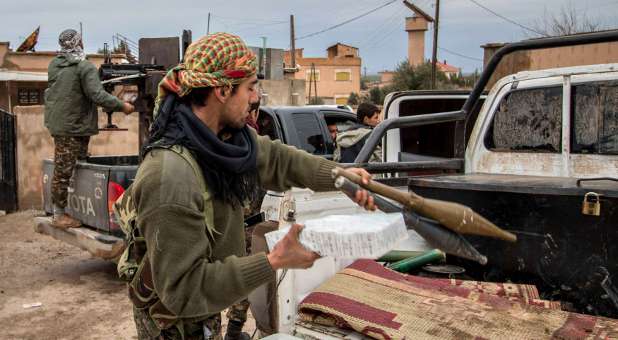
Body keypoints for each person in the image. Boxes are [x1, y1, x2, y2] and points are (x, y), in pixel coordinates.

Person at [123, 33, 375, 340]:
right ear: (222, 90)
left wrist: (340, 177)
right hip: (170, 324)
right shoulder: (170, 175)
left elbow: (280, 161)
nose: (255, 98)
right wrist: (274, 261)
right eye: (250, 87)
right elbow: (184, 290)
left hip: (202, 312)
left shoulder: (224, 140)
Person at [44, 29, 134, 229]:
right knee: (64, 169)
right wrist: (123, 106)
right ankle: (59, 215)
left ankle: (75, 210)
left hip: (63, 124)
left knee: (76, 165)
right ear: (79, 43)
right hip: (73, 126)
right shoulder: (84, 67)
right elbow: (97, 95)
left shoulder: (54, 65)